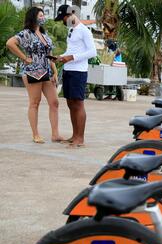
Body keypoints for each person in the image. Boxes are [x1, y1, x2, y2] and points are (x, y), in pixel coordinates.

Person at [6, 7, 65, 144]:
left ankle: (55, 134)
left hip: (47, 72)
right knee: (35, 102)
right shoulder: (26, 33)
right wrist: (24, 58)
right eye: (40, 15)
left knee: (54, 102)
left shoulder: (44, 35)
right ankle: (35, 134)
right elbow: (10, 43)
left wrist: (55, 71)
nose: (43, 17)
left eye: (43, 15)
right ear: (33, 17)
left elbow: (48, 56)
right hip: (33, 72)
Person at [54, 5, 97, 148]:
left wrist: (72, 57)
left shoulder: (85, 31)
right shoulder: (71, 30)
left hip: (78, 72)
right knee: (70, 104)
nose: (63, 21)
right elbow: (71, 50)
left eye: (64, 18)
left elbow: (92, 52)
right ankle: (74, 135)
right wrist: (61, 57)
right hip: (68, 70)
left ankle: (80, 139)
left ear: (72, 14)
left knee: (78, 104)